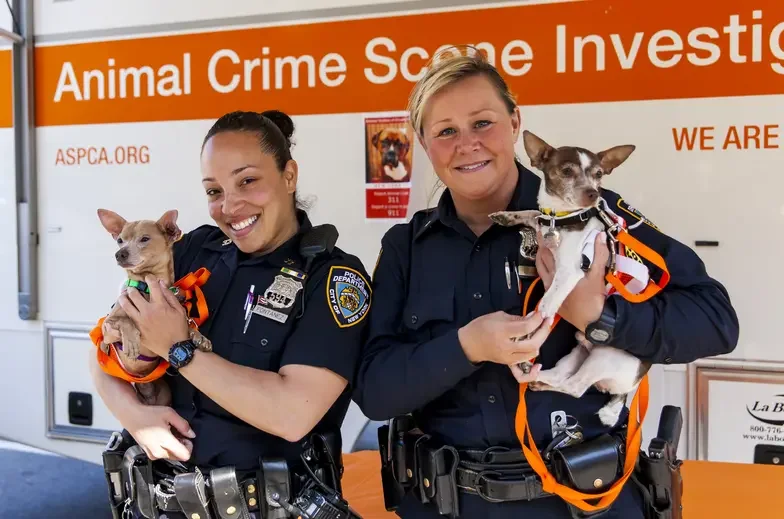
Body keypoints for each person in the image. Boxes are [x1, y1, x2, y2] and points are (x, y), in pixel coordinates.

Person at [353, 48, 739, 518]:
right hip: (448, 505)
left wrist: (598, 315)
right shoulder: (406, 247)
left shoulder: (595, 217)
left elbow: (715, 321)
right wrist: (467, 347)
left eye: (483, 123)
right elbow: (375, 392)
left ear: (516, 123)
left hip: (584, 502)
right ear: (423, 143)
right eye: (446, 131)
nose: (467, 144)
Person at [90, 110, 372, 519]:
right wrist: (135, 417)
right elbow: (102, 345)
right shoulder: (191, 251)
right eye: (213, 190)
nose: (229, 205)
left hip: (268, 507)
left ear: (289, 176)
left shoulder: (331, 277)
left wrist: (179, 349)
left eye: (248, 181)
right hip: (160, 504)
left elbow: (293, 414)